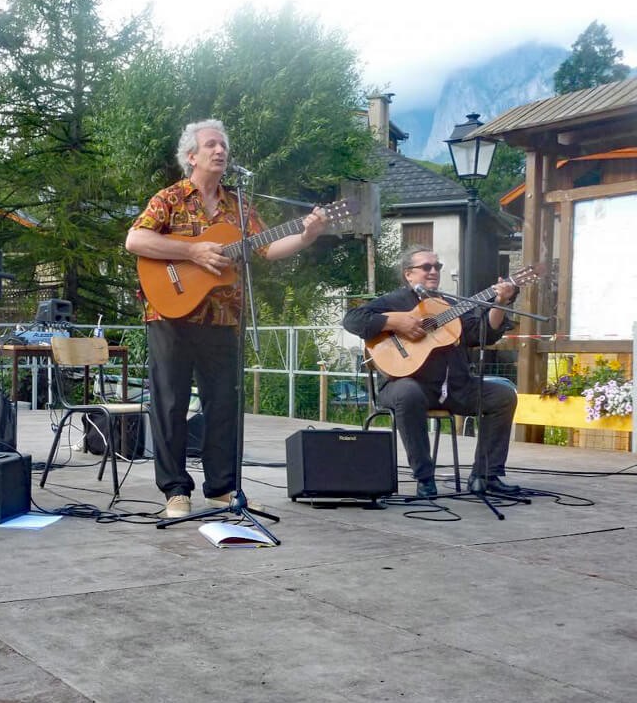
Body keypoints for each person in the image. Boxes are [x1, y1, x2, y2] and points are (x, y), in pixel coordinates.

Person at [125, 119, 327, 517]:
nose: (220, 151)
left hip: (223, 318)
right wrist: (193, 253)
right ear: (192, 156)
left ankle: (221, 487)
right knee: (170, 404)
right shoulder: (169, 198)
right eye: (212, 145)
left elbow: (266, 249)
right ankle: (175, 491)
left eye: (224, 147)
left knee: (224, 404)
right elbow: (136, 240)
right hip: (169, 312)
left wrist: (307, 235)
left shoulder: (239, 205)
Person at [342, 245, 519, 497]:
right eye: (426, 267)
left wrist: (500, 302)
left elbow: (482, 333)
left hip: (456, 387)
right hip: (406, 386)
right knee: (408, 392)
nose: (433, 271)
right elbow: (352, 319)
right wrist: (395, 321)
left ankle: (485, 476)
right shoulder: (394, 301)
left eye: (437, 266)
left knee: (502, 396)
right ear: (408, 274)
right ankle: (425, 478)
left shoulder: (451, 304)